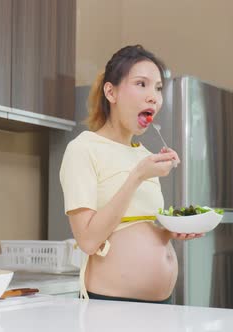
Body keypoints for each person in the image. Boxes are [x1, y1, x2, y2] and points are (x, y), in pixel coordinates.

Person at [59, 45, 203, 304]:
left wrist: (174, 231)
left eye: (158, 88)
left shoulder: (143, 155)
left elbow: (137, 226)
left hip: (162, 303)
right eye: (141, 84)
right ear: (111, 92)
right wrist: (137, 176)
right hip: (112, 304)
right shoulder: (83, 149)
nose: (154, 97)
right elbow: (89, 241)